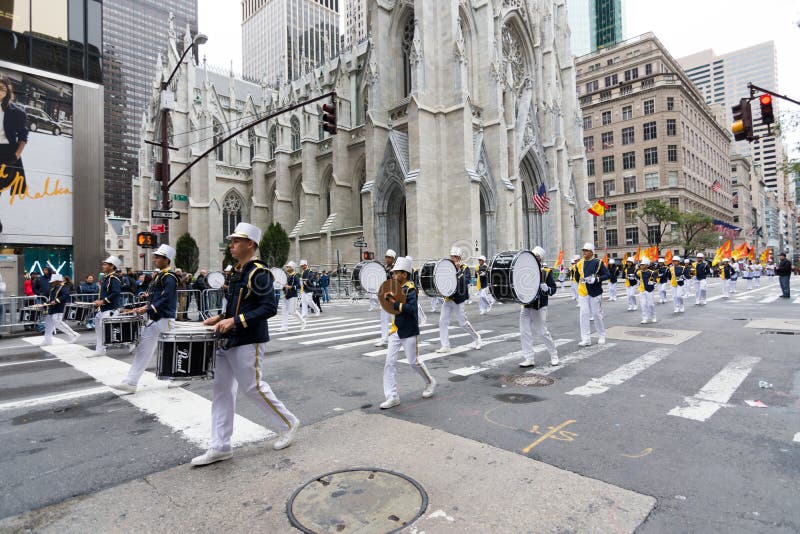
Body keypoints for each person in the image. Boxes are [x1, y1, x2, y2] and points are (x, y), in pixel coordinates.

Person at [192, 222, 299, 466]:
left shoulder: (259, 273)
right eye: (231, 241)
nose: (231, 245)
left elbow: (268, 307)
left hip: (249, 339)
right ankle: (220, 446)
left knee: (253, 387)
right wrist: (219, 318)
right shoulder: (237, 271)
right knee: (221, 392)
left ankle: (289, 422)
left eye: (236, 241)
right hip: (228, 340)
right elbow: (235, 306)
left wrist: (235, 321)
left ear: (250, 244)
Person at [111, 245, 178, 394]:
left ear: (166, 260)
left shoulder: (170, 277)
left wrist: (149, 308)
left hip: (165, 318)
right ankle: (131, 382)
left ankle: (179, 377)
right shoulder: (160, 276)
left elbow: (167, 298)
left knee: (171, 349)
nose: (154, 259)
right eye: (155, 256)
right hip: (154, 318)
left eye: (157, 257)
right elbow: (158, 295)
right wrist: (147, 298)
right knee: (143, 350)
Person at [380, 255, 436, 409]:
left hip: (409, 330)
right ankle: (392, 397)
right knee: (389, 363)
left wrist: (393, 302)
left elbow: (411, 309)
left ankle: (430, 381)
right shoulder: (395, 287)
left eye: (396, 272)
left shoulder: (411, 289)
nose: (393, 274)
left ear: (404, 274)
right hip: (396, 329)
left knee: (413, 361)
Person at [435, 247, 481, 353]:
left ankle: (477, 337)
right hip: (448, 298)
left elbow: (464, 282)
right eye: (452, 257)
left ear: (459, 258)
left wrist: (458, 270)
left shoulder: (465, 268)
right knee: (443, 322)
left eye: (455, 257)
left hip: (459, 299)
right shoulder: (448, 267)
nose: (453, 259)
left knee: (463, 323)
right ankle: (445, 345)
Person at [519, 247, 559, 367]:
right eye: (533, 255)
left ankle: (554, 354)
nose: (534, 258)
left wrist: (547, 289)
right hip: (526, 306)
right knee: (524, 332)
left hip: (539, 306)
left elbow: (553, 289)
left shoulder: (546, 272)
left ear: (540, 259)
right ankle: (529, 358)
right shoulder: (524, 270)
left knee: (542, 333)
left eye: (536, 256)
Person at [0, 77, 28, 201]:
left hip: (7, 153)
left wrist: (16, 155)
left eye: (2, 89)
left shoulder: (17, 112)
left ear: (7, 92)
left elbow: (23, 137)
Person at [575, 243, 609, 347]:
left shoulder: (598, 262)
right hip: (583, 292)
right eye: (583, 250)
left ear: (591, 252)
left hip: (595, 292)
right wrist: (583, 281)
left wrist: (597, 279)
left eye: (586, 250)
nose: (584, 252)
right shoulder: (579, 263)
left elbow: (607, 275)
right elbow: (577, 277)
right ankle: (586, 339)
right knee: (583, 315)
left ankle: (602, 335)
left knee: (596, 314)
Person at [91, 256, 122, 356]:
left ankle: (101, 349)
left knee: (105, 328)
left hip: (111, 308)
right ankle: (100, 349)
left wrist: (103, 301)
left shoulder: (114, 278)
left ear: (112, 266)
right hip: (105, 308)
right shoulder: (107, 277)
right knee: (98, 326)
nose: (103, 266)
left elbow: (116, 293)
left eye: (105, 264)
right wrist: (99, 301)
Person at [42, 274, 80, 345]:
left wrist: (56, 301)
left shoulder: (63, 287)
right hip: (52, 308)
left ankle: (74, 335)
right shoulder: (54, 287)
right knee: (48, 324)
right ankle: (47, 340)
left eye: (53, 281)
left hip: (59, 307)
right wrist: (45, 303)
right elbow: (51, 299)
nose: (52, 283)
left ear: (57, 281)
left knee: (58, 322)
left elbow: (65, 295)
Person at [373, 250, 396, 347]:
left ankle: (397, 339)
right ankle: (384, 339)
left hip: (392, 296)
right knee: (383, 319)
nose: (387, 259)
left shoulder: (396, 268)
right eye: (386, 257)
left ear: (393, 258)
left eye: (389, 257)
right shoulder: (384, 268)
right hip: (383, 296)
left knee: (394, 319)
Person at [280, 261, 305, 332]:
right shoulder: (287, 276)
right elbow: (285, 285)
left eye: (288, 267)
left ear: (292, 268)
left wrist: (290, 287)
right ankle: (284, 327)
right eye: (287, 267)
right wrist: (283, 287)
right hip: (286, 295)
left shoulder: (295, 276)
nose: (286, 268)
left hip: (293, 296)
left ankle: (303, 322)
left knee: (292, 311)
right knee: (284, 311)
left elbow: (298, 286)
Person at [637, 258, 657, 323]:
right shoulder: (639, 272)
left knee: (651, 304)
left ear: (647, 265)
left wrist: (652, 282)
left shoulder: (651, 272)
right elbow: (635, 274)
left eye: (643, 265)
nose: (641, 266)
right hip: (642, 290)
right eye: (641, 265)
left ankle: (653, 317)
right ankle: (644, 318)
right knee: (643, 305)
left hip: (649, 290)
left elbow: (655, 281)